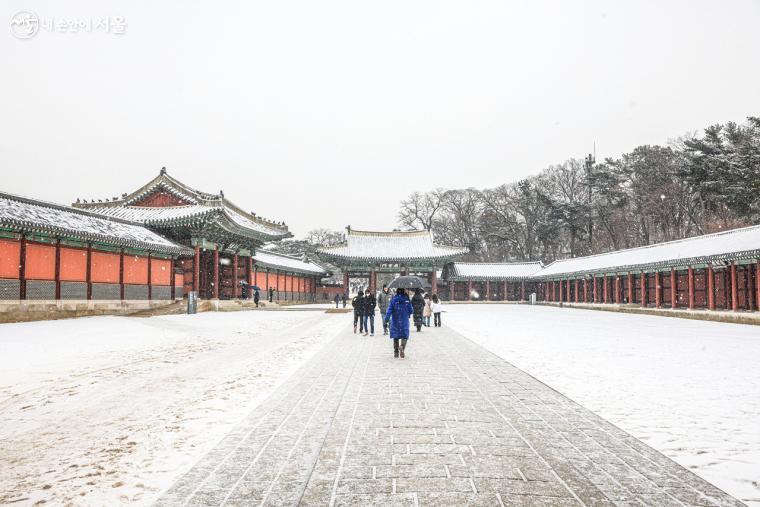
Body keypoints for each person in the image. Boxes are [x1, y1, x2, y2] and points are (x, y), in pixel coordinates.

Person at [385, 287, 413, 358]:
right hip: (404, 320)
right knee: (405, 336)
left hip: (395, 320)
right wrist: (408, 301)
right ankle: (402, 346)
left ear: (397, 292)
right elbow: (411, 311)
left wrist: (386, 318)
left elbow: (389, 310)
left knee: (396, 336)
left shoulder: (394, 300)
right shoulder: (406, 300)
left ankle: (396, 352)